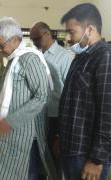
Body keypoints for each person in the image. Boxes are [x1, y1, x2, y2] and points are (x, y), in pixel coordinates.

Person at [0, 17, 58, 180]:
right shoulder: (14, 59)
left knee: (27, 174)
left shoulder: (29, 58)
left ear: (15, 39)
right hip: (11, 132)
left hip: (26, 133)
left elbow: (43, 96)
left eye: (1, 45)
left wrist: (11, 121)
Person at [57, 3, 111, 180]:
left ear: (90, 29)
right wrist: (60, 136)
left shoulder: (105, 57)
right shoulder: (80, 58)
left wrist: (97, 159)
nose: (69, 38)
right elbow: (70, 102)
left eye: (72, 32)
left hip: (86, 154)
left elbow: (107, 112)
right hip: (71, 149)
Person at [30, 22, 74, 179]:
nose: (34, 42)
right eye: (32, 39)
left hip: (56, 117)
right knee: (40, 159)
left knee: (55, 160)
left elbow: (69, 93)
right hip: (39, 115)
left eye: (36, 38)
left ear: (47, 34)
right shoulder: (37, 56)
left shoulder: (66, 57)